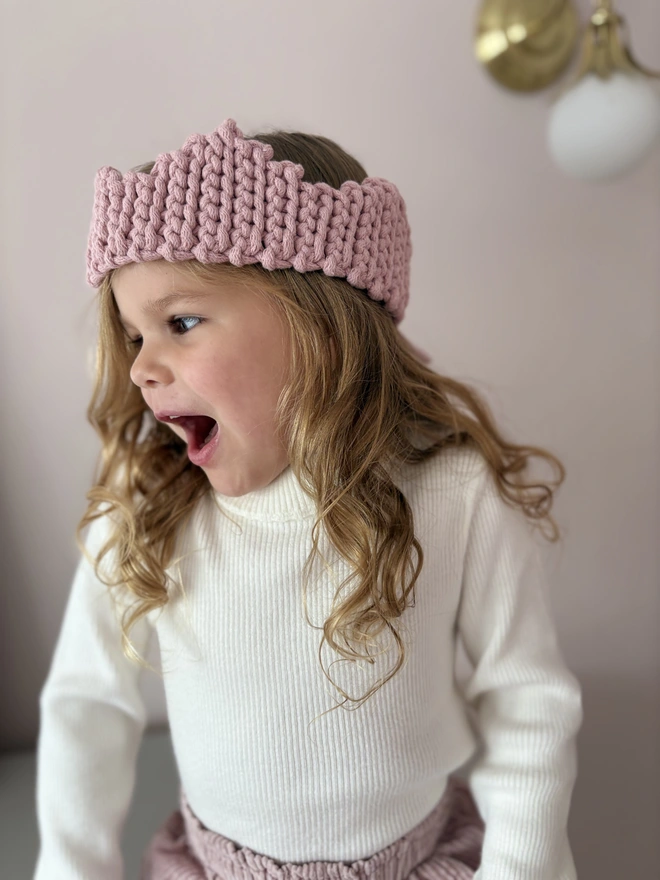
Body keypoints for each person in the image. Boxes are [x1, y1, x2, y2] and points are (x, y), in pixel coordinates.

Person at [34, 118, 583, 880]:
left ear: (321, 327)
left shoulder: (452, 496)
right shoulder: (146, 507)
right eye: (133, 337)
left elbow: (528, 706)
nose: (141, 369)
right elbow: (85, 708)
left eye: (180, 323)